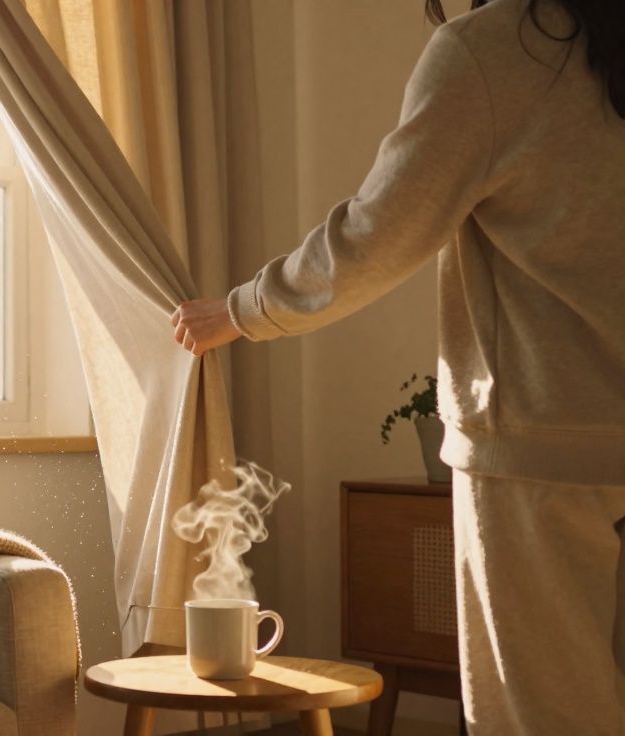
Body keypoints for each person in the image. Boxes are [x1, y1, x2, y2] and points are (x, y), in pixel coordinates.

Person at [171, 0, 625, 733]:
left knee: (545, 717)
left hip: (540, 450)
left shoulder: (494, 51)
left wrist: (242, 309)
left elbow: (379, 235)